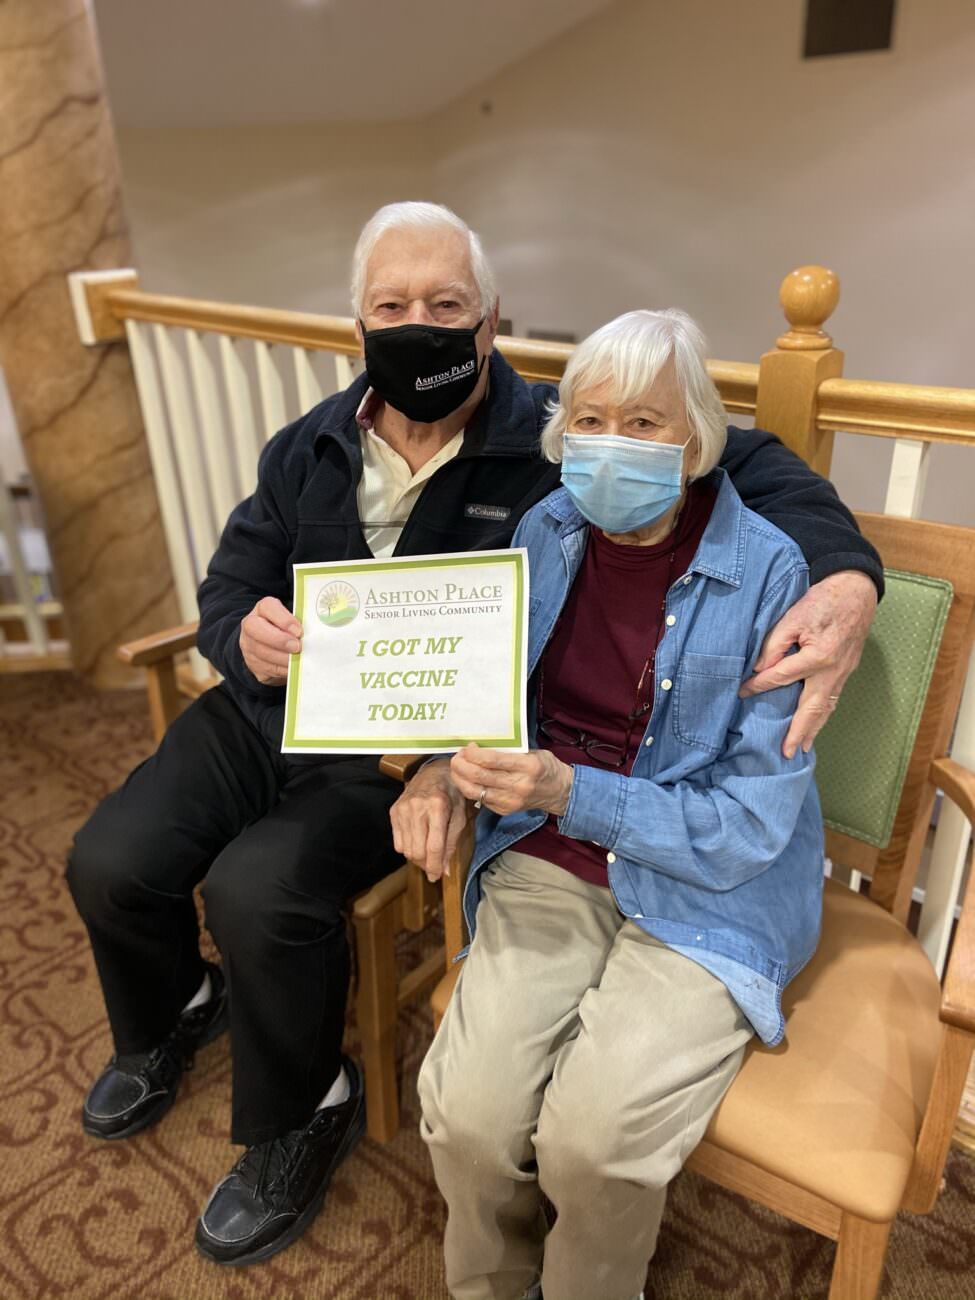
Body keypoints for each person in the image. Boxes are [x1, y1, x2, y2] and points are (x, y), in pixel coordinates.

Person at [66, 202, 879, 1268]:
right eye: (391, 306)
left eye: (446, 305)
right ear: (356, 322)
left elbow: (742, 460)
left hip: (412, 744)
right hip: (280, 705)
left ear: (490, 321)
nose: (420, 326)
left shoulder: (554, 442)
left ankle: (305, 1107)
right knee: (110, 856)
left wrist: (849, 576)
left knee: (257, 889)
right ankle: (176, 1003)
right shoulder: (310, 444)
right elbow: (229, 585)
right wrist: (239, 632)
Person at [397, 308, 826, 1300]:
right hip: (550, 853)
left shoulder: (770, 572)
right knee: (466, 1112)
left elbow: (753, 822)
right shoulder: (546, 530)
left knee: (590, 1142)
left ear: (697, 442)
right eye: (590, 419)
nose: (610, 444)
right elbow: (483, 691)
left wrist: (570, 789)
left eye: (644, 422)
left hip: (710, 888)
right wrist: (442, 762)